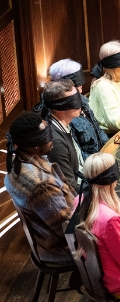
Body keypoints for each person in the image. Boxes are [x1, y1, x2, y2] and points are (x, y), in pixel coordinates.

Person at [4, 112, 77, 263]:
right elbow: (69, 229)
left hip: (51, 234)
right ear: (36, 145)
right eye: (47, 136)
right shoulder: (41, 186)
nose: (52, 140)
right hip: (63, 247)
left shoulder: (16, 164)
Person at [75, 152, 120, 296]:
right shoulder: (110, 219)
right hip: (118, 280)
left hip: (96, 273)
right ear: (113, 179)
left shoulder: (78, 200)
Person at [48, 58, 108, 159]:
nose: (81, 86)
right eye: (77, 83)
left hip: (102, 155)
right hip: (90, 164)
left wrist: (109, 149)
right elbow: (78, 155)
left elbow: (98, 130)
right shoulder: (66, 113)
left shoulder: (84, 103)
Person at [39, 79, 84, 190]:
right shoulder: (56, 142)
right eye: (74, 101)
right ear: (59, 108)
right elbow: (70, 188)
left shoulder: (65, 125)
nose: (80, 104)